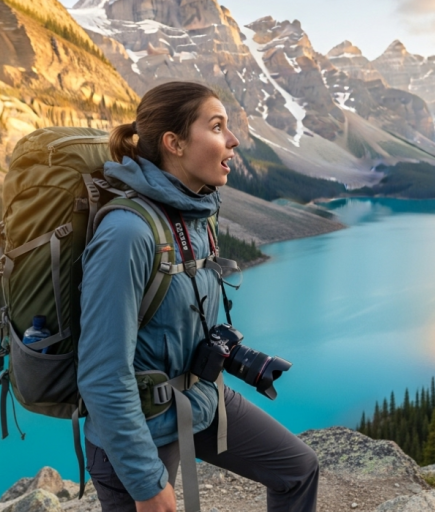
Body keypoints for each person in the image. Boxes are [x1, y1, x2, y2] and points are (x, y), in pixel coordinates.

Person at [77, 81, 319, 512]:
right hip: (140, 426)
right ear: (174, 143)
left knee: (297, 469)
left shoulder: (194, 213)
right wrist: (147, 486)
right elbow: (101, 375)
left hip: (199, 395)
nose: (234, 139)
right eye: (217, 126)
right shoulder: (127, 233)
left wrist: (231, 352)